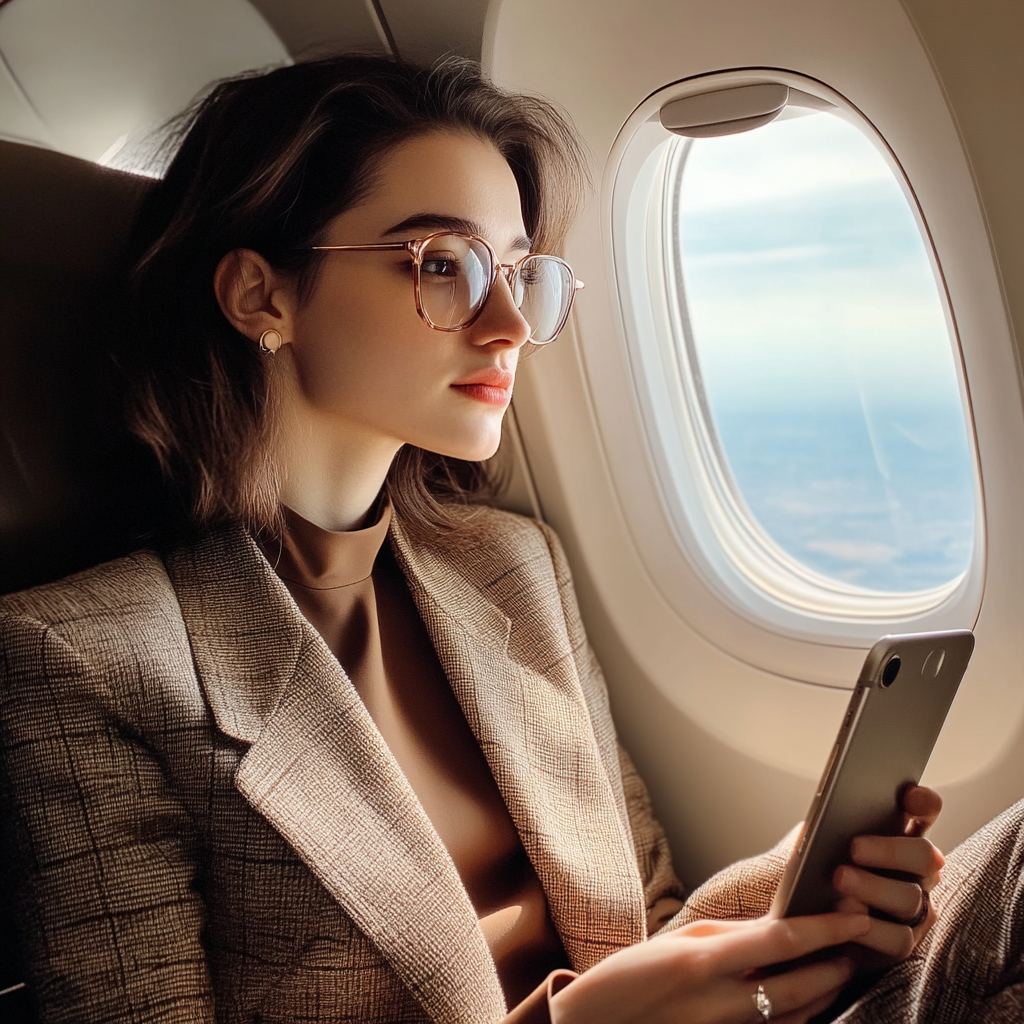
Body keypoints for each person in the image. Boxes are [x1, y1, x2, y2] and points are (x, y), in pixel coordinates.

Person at [0, 54, 1020, 1024]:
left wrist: (807, 879)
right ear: (261, 295)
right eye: (442, 264)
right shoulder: (82, 658)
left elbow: (645, 932)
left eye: (521, 273)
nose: (507, 325)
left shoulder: (510, 568)